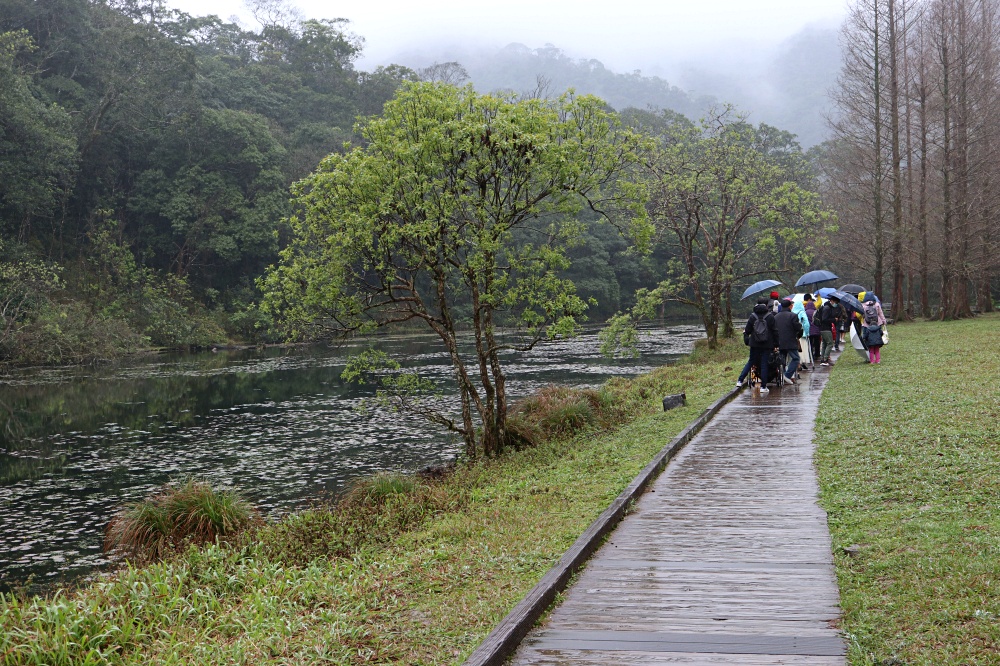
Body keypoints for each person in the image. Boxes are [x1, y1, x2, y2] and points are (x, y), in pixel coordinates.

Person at [737, 297, 778, 393]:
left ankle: (740, 380)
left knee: (751, 361)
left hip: (754, 343)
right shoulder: (770, 316)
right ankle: (763, 387)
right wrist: (776, 343)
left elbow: (747, 331)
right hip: (767, 344)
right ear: (767, 305)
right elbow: (775, 331)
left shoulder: (752, 316)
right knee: (764, 364)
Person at [774, 298, 804, 384]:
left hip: (779, 341)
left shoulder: (776, 317)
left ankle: (781, 375)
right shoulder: (793, 316)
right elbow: (798, 328)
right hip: (790, 341)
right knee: (796, 358)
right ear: (790, 306)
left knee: (782, 360)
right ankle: (787, 375)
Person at [816, 295, 842, 365]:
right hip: (826, 328)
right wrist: (834, 319)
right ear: (832, 301)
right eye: (835, 302)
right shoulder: (827, 308)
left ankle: (823, 359)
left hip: (822, 328)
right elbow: (824, 319)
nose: (836, 304)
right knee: (830, 343)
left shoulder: (825, 307)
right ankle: (825, 359)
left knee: (825, 343)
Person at [860, 298, 887, 363]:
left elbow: (862, 315)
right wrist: (884, 321)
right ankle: (878, 360)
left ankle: (871, 361)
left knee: (871, 351)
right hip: (878, 325)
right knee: (877, 351)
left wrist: (864, 338)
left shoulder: (863, 305)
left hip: (866, 324)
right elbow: (880, 313)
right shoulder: (877, 304)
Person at [802, 293, 821, 369]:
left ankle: (810, 355)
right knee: (817, 343)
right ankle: (817, 354)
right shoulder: (816, 312)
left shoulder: (805, 312)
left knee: (809, 343)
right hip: (816, 330)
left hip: (809, 331)